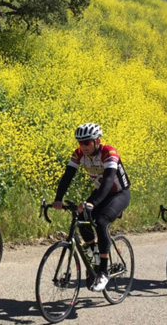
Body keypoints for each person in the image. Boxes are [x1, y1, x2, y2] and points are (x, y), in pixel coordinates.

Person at [52, 123, 130, 292]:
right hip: (101, 192)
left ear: (97, 141)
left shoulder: (109, 153)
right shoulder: (79, 154)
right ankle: (94, 251)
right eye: (80, 143)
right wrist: (58, 199)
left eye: (87, 142)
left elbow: (109, 181)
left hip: (119, 194)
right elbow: (67, 176)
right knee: (81, 217)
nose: (83, 146)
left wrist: (92, 203)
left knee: (101, 221)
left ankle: (103, 272)